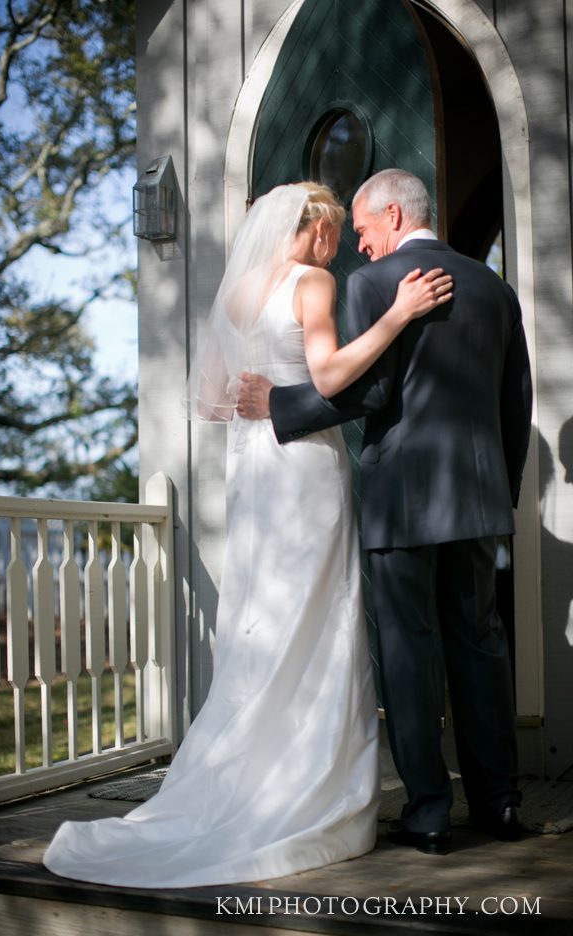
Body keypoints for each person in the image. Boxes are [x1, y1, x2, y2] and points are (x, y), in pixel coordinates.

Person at [43, 181, 452, 888]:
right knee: (316, 619)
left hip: (255, 471)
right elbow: (326, 377)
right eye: (335, 232)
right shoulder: (314, 281)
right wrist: (397, 317)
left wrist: (263, 402)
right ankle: (307, 786)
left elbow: (218, 400)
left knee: (265, 618)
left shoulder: (238, 293)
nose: (342, 245)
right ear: (316, 228)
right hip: (304, 469)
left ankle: (254, 776)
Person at [237, 169, 533, 856]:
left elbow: (364, 393)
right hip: (479, 500)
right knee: (482, 646)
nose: (361, 249)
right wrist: (502, 488)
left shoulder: (372, 287)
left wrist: (278, 406)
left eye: (365, 232)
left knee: (408, 650)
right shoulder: (497, 290)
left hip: (402, 498)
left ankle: (430, 813)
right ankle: (502, 803)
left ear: (394, 215)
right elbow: (515, 404)